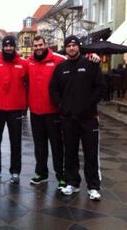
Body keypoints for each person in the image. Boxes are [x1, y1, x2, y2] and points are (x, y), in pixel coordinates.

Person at [49, 35, 105, 201]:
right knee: (70, 152)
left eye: (74, 45)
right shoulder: (61, 68)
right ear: (65, 49)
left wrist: (89, 105)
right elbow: (53, 89)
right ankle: (72, 183)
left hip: (88, 117)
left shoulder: (90, 64)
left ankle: (93, 186)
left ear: (79, 47)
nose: (71, 48)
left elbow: (100, 87)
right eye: (68, 46)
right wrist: (62, 106)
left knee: (91, 153)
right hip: (68, 118)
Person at [28, 35, 66, 189]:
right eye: (35, 45)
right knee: (39, 145)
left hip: (53, 111)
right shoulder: (28, 62)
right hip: (35, 111)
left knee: (57, 145)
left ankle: (61, 176)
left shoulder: (58, 60)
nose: (38, 47)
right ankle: (41, 173)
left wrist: (91, 56)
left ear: (46, 44)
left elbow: (75, 61)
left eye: (40, 44)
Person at [0, 35, 28, 184]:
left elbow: (28, 83)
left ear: (14, 47)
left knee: (16, 141)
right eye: (6, 46)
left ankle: (15, 171)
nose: (8, 48)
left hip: (15, 109)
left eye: (11, 46)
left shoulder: (23, 64)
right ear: (3, 47)